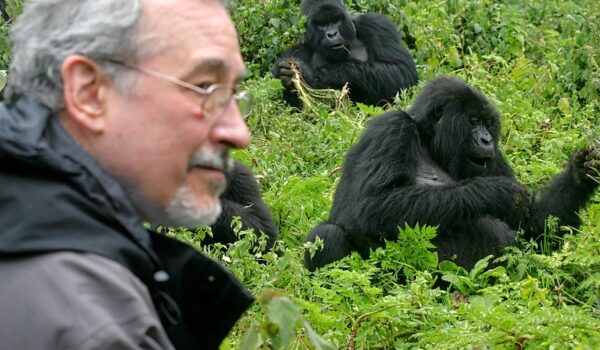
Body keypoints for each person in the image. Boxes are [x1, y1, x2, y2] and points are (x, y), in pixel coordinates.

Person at [0, 0, 255, 349]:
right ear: (89, 92)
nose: (238, 133)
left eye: (234, 93)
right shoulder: (91, 323)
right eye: (206, 87)